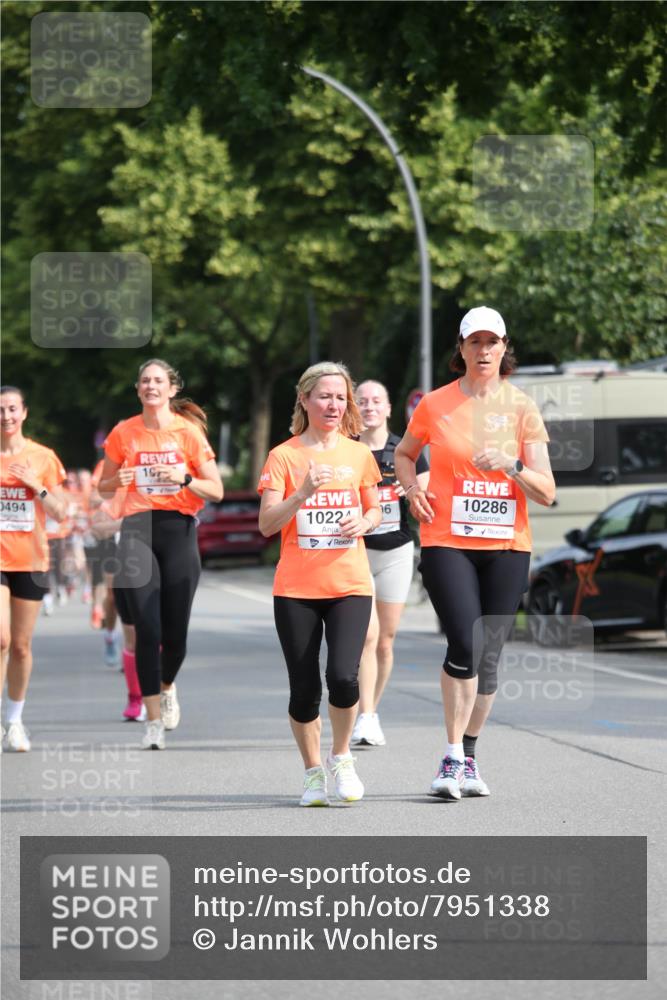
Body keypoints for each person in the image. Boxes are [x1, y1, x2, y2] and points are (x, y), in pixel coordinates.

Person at [395, 307, 556, 799]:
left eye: (492, 342)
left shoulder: (523, 407)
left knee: (488, 658)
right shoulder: (435, 404)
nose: (484, 351)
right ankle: (448, 757)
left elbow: (547, 492)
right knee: (464, 644)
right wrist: (411, 490)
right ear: (460, 349)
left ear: (505, 348)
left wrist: (512, 465)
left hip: (507, 546)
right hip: (448, 541)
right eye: (475, 342)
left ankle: (468, 754)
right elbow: (404, 454)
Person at [258, 362, 382, 806]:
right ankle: (312, 773)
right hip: (296, 589)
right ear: (305, 400)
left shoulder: (358, 454)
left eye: (340, 397)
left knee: (344, 678)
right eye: (324, 396)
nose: (333, 404)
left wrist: (364, 521)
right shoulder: (284, 456)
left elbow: (376, 510)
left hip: (350, 582)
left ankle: (342, 757)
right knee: (305, 687)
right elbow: (267, 525)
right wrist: (301, 492)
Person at [98, 359, 223, 750]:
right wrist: (112, 481)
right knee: (147, 629)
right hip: (136, 529)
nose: (151, 386)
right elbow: (104, 487)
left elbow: (215, 490)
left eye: (158, 381)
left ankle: (167, 686)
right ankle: (152, 720)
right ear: (138, 390)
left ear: (171, 389)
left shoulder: (188, 433)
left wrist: (184, 478)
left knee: (176, 635)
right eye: (145, 381)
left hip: (178, 530)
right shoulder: (123, 433)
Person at [352, 380, 429, 747]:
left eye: (376, 401)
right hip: (356, 551)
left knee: (385, 640)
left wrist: (412, 487)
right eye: (362, 401)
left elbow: (432, 488)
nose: (369, 406)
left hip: (397, 551)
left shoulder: (405, 450)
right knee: (366, 636)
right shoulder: (345, 450)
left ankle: (370, 712)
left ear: (387, 408)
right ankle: (364, 715)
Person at [1, 385, 67, 752]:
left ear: (24, 413)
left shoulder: (43, 457)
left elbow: (62, 512)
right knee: (1, 639)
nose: (6, 416)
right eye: (0, 410)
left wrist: (36, 486)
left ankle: (14, 720)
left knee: (22, 647)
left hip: (31, 560)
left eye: (12, 409)